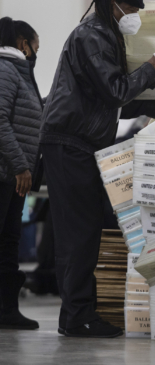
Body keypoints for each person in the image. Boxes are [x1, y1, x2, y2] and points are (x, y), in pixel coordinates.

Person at [40, 0, 155, 338]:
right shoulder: (92, 36)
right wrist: (153, 67)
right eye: (129, 6)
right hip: (69, 144)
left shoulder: (105, 35)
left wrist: (152, 105)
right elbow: (114, 91)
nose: (134, 15)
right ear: (112, 4)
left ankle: (78, 314)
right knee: (79, 233)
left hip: (82, 143)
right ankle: (76, 317)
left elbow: (110, 102)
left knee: (87, 230)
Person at [0, 17, 43, 330]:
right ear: (22, 42)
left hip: (12, 176)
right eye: (35, 47)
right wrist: (21, 166)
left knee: (9, 241)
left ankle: (6, 310)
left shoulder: (19, 73)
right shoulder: (4, 70)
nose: (35, 54)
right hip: (7, 172)